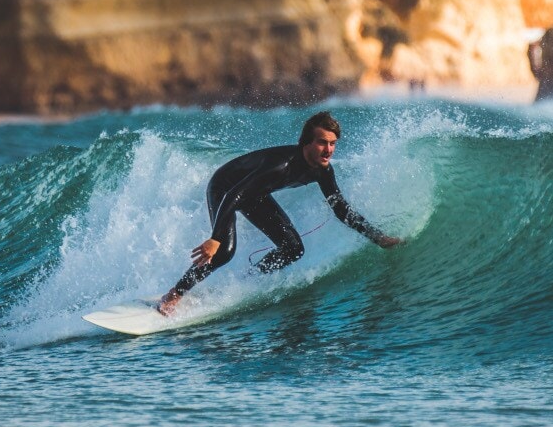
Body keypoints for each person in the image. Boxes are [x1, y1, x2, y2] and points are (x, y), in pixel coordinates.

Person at [157, 112, 402, 315]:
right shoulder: (281, 166)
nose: (328, 149)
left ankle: (248, 280)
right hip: (226, 186)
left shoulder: (323, 170)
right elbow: (235, 195)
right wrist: (215, 238)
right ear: (306, 142)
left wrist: (376, 237)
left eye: (332, 143)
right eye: (322, 142)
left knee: (293, 248)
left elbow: (341, 209)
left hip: (254, 193)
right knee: (224, 251)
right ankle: (174, 294)